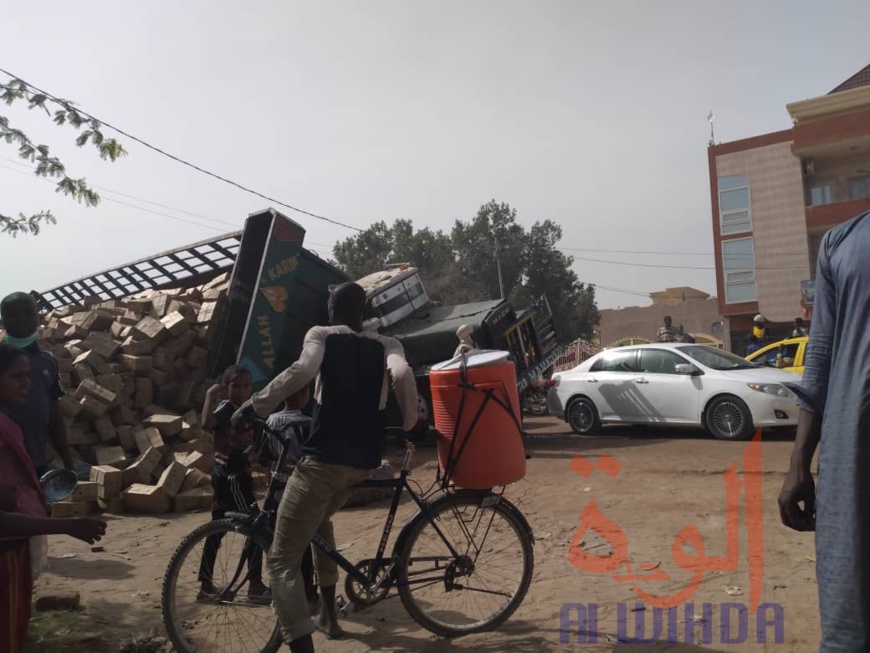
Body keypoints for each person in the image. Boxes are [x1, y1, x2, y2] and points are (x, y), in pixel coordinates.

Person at [233, 281, 418, 653]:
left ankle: (303, 647)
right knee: (319, 523)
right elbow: (401, 375)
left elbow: (304, 369)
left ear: (331, 311)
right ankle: (328, 614)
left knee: (282, 560)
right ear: (363, 312)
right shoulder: (387, 344)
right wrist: (410, 422)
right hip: (364, 463)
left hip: (323, 463)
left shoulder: (322, 334)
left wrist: (255, 405)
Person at [777, 210, 870, 651]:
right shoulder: (840, 242)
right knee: (851, 613)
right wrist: (798, 460)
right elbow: (822, 353)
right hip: (852, 460)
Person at [0, 343, 107, 652]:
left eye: (28, 375)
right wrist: (68, 526)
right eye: (17, 376)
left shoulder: (8, 421)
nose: (27, 383)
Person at [197, 364, 271, 604]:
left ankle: (206, 585)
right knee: (256, 526)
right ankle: (255, 585)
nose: (241, 390)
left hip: (233, 474)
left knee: (217, 529)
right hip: (231, 477)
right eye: (235, 386)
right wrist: (210, 394)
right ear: (225, 387)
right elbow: (206, 425)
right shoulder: (225, 408)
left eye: (246, 385)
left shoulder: (246, 409)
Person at [0, 292, 74, 476]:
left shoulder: (47, 361)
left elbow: (54, 412)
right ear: (2, 321)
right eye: (12, 315)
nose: (21, 320)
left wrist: (67, 458)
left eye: (28, 314)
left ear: (39, 317)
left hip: (36, 459)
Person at [261, 385, 319, 615]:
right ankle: (308, 595)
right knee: (303, 546)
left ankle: (280, 596)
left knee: (277, 545)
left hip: (276, 489)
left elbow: (264, 456)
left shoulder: (270, 421)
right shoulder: (306, 422)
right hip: (299, 487)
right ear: (304, 396)